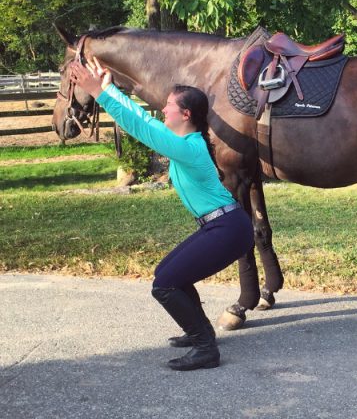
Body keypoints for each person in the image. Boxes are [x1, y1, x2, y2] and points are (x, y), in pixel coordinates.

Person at [70, 57, 254, 371]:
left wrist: (100, 95)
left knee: (165, 284)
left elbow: (142, 125)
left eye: (169, 105)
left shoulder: (190, 147)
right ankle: (201, 331)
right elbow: (145, 120)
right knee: (166, 274)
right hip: (220, 226)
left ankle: (205, 347)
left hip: (228, 227)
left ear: (186, 114)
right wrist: (107, 89)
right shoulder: (185, 142)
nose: (163, 110)